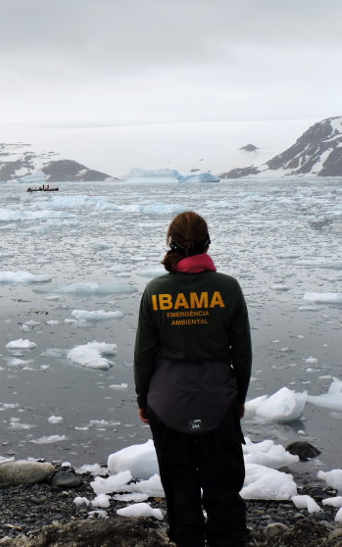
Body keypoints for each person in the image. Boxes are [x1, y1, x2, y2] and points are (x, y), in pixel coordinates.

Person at [134, 211, 252, 547]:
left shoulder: (156, 290)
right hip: (219, 400)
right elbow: (241, 351)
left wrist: (143, 401)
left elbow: (144, 353)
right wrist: (238, 398)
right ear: (207, 242)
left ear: (171, 242)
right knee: (224, 490)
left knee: (180, 490)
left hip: (167, 402)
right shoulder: (227, 288)